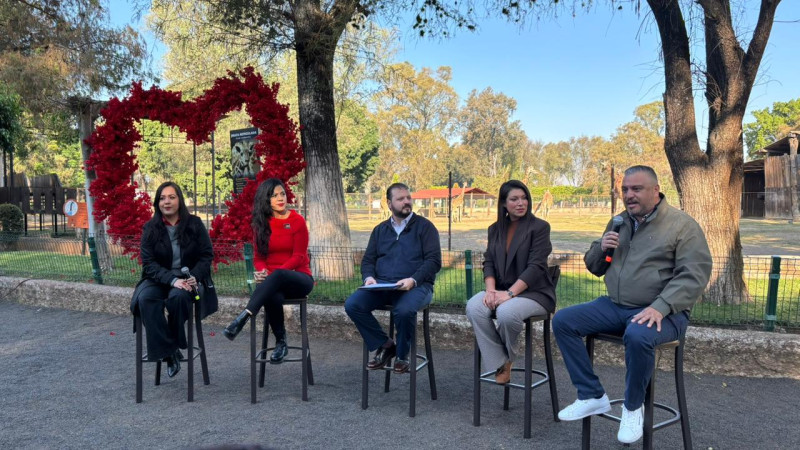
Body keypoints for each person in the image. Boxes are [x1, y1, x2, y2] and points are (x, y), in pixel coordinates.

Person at [552, 165, 712, 444]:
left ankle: (632, 407)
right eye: (625, 189)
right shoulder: (619, 222)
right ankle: (591, 394)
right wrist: (601, 247)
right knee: (564, 320)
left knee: (638, 334)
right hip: (616, 305)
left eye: (636, 189)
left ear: (655, 190)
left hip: (664, 312)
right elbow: (595, 267)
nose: (629, 195)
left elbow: (694, 275)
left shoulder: (682, 225)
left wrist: (660, 306)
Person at [345, 183, 442, 374]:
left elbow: (434, 261)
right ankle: (387, 345)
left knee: (404, 310)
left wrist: (413, 280)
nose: (406, 202)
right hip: (382, 285)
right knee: (352, 305)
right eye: (400, 199)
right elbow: (368, 261)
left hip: (417, 286)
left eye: (408, 197)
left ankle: (402, 355)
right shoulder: (380, 230)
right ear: (389, 204)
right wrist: (369, 278)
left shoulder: (425, 227)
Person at [466, 180, 556, 384]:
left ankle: (505, 359)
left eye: (524, 198)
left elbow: (536, 267)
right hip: (501, 290)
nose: (521, 203)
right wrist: (490, 291)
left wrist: (509, 294)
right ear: (503, 203)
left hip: (534, 293)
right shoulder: (495, 229)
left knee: (507, 313)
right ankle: (501, 361)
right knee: (474, 307)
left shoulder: (540, 227)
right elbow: (488, 261)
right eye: (514, 199)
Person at [131, 181, 218, 378]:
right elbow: (149, 263)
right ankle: (170, 352)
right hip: (158, 279)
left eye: (171, 197)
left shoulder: (194, 224)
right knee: (145, 300)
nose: (166, 202)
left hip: (189, 280)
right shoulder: (150, 228)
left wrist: (193, 277)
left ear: (179, 200)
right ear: (157, 203)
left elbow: (206, 255)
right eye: (162, 198)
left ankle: (168, 347)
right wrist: (171, 280)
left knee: (178, 298)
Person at [223, 178, 313, 364]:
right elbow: (259, 259)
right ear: (266, 200)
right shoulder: (262, 224)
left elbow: (299, 257)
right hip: (273, 283)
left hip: (299, 278)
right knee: (272, 295)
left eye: (282, 194)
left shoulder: (297, 221)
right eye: (274, 195)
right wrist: (262, 271)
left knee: (277, 277)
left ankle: (244, 316)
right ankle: (281, 343)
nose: (280, 198)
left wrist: (273, 275)